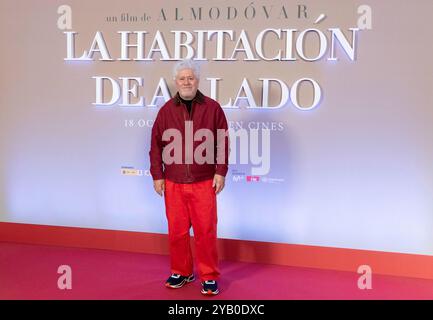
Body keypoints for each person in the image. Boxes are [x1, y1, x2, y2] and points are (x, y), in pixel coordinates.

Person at [149, 59, 229, 296]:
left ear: (198, 80)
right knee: (177, 232)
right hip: (173, 182)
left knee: (205, 232)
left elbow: (222, 142)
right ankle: (182, 272)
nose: (186, 82)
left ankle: (209, 276)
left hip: (204, 182)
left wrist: (220, 171)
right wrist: (157, 175)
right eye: (182, 78)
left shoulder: (213, 108)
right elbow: (155, 146)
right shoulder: (165, 111)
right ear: (176, 81)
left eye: (190, 78)